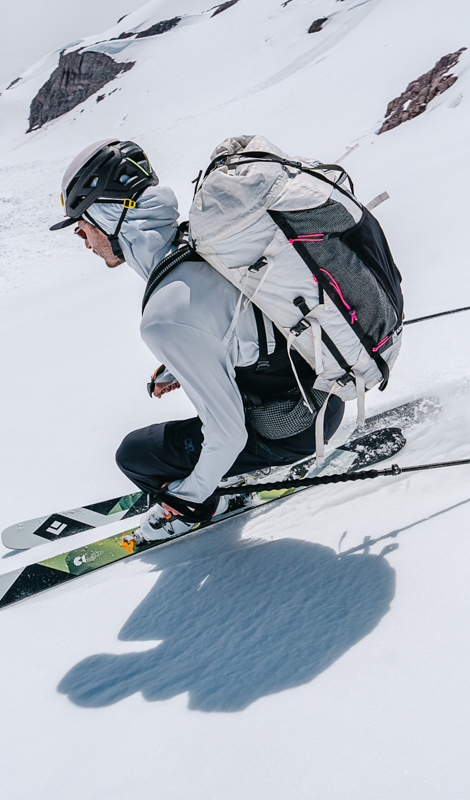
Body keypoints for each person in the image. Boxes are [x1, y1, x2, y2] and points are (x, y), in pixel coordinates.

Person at [49, 139, 344, 543]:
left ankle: (209, 504)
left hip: (290, 430)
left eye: (83, 227)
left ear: (107, 217)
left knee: (136, 456)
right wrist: (182, 367)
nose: (84, 241)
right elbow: (238, 325)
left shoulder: (164, 318)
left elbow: (227, 434)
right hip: (324, 399)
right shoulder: (201, 243)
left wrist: (189, 497)